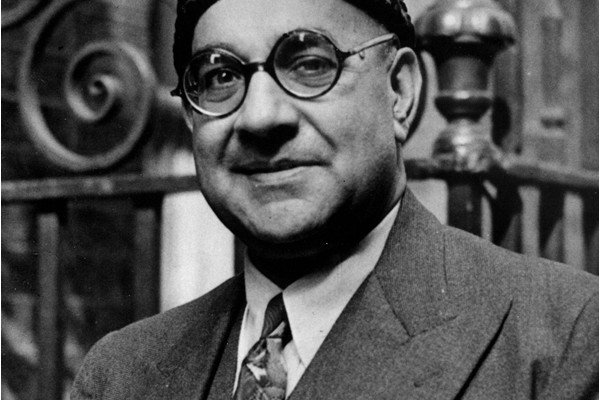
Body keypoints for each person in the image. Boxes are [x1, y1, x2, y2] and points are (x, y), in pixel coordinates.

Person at [71, 0, 598, 398]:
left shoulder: (565, 339)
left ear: (399, 92)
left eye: (309, 63)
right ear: (190, 117)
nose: (260, 117)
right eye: (221, 76)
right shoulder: (121, 376)